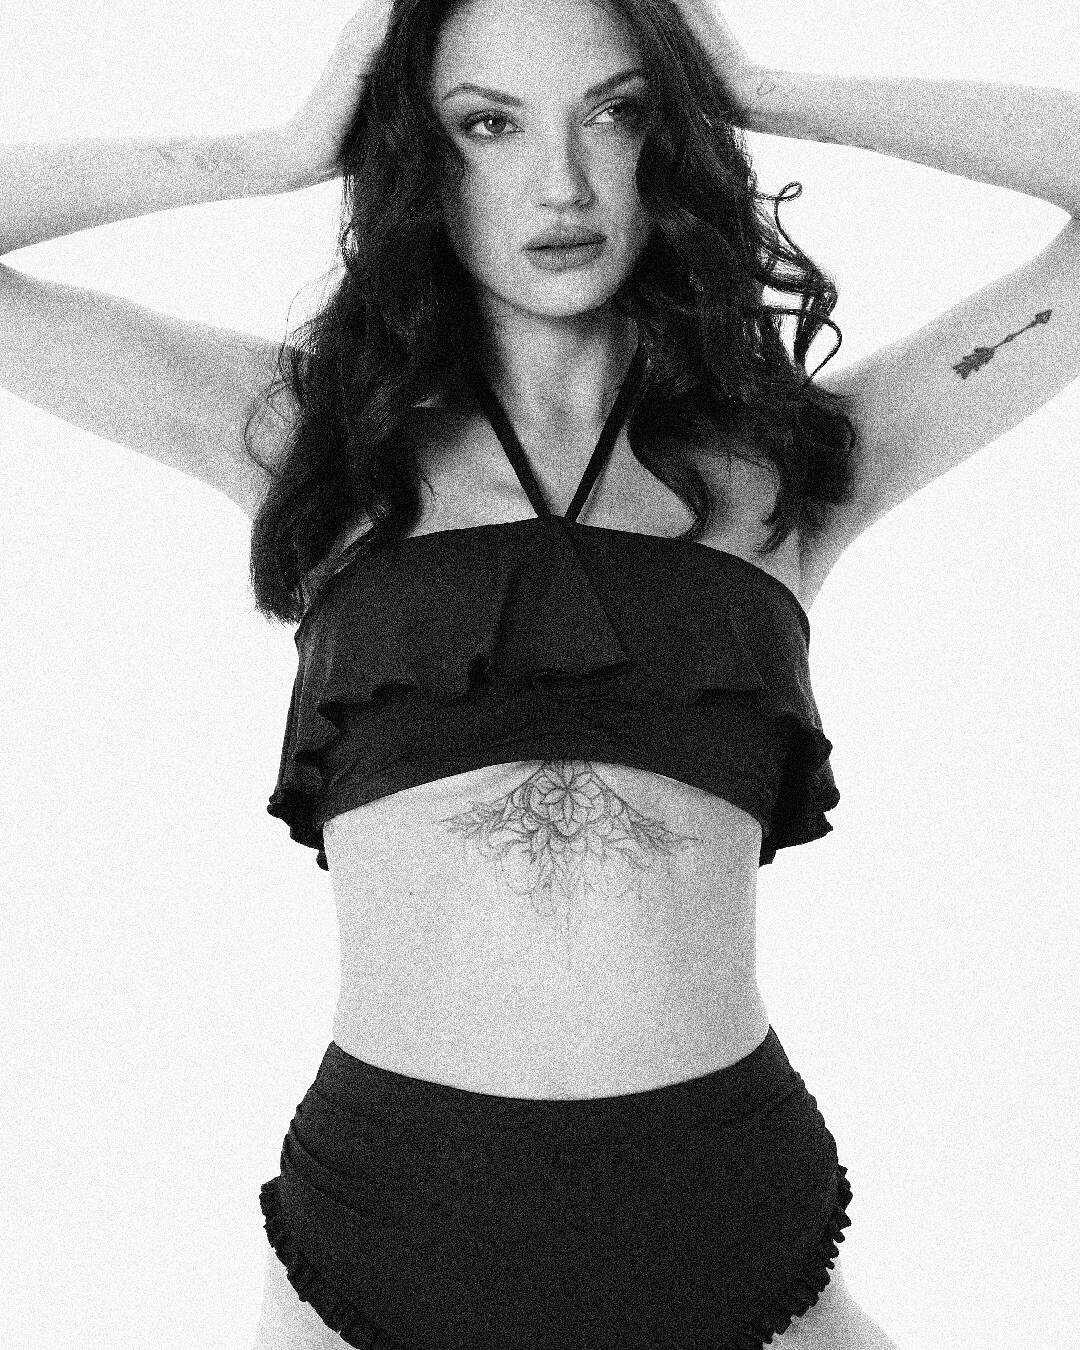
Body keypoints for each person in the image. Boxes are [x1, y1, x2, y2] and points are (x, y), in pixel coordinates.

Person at [3, 0, 1077, 1346]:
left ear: (668, 136)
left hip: (733, 1217)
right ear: (414, 151)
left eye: (615, 111)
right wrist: (276, 150)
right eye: (488, 124)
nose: (561, 182)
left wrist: (760, 85)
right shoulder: (306, 441)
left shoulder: (792, 468)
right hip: (386, 1224)